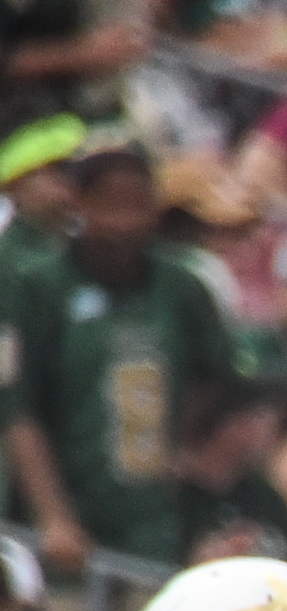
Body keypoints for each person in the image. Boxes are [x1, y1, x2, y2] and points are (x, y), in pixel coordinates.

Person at [1, 142, 240, 582]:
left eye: (138, 206)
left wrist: (185, 446)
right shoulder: (38, 286)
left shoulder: (183, 288)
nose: (125, 223)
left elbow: (215, 377)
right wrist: (54, 516)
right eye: (110, 206)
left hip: (154, 522)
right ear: (81, 203)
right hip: (66, 513)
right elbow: (19, 408)